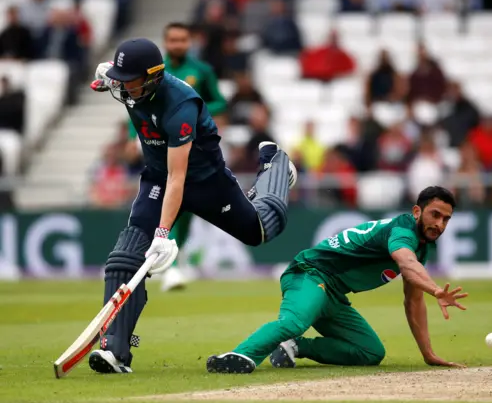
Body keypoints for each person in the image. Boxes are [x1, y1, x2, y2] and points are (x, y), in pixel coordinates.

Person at [88, 37, 297, 374]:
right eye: (120, 80)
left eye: (132, 81)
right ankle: (115, 349)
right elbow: (106, 78)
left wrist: (162, 234)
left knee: (259, 231)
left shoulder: (179, 106)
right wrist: (107, 78)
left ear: (154, 76)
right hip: (157, 178)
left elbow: (178, 178)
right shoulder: (128, 83)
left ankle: (275, 165)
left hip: (204, 183)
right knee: (124, 259)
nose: (125, 88)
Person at [207, 186, 468, 374]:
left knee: (370, 352)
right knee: (294, 321)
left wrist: (428, 354)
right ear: (416, 212)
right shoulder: (402, 230)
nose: (440, 224)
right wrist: (436, 289)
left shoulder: (421, 247)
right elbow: (407, 265)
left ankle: (295, 347)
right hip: (310, 273)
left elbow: (413, 302)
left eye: (446, 219)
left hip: (332, 292)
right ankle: (239, 355)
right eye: (435, 214)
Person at [126, 23, 228, 292]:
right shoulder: (154, 71)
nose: (178, 44)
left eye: (183, 40)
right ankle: (168, 265)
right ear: (166, 41)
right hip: (159, 142)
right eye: (173, 40)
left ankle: (173, 258)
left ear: (189, 41)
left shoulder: (202, 71)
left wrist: (192, 107)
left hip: (194, 142)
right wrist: (130, 137)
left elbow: (220, 102)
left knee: (189, 205)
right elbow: (135, 103)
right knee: (167, 194)